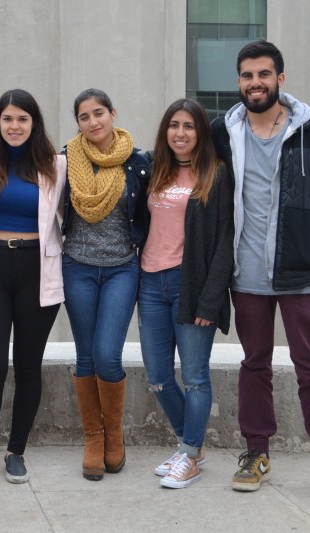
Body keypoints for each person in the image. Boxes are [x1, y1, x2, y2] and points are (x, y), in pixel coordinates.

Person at [211, 40, 310, 492]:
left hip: (300, 270)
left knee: (309, 365)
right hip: (247, 272)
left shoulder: (307, 130)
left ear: (280, 80)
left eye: (264, 74)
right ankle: (257, 453)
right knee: (255, 364)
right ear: (239, 82)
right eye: (248, 76)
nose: (256, 83)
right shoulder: (222, 131)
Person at [0, 89, 66, 485]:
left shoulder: (56, 165)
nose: (15, 126)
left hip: (36, 270)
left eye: (22, 119)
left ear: (34, 123)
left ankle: (16, 451)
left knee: (28, 368)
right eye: (8, 119)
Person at [139, 99, 233, 489]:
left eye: (189, 126)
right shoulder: (154, 169)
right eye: (173, 125)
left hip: (189, 285)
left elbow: (225, 242)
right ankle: (188, 445)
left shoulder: (216, 174)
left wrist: (210, 299)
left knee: (194, 377)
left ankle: (190, 454)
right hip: (149, 282)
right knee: (158, 376)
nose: (180, 133)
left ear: (201, 132)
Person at [62, 88, 150, 481]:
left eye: (99, 113)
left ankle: (114, 433)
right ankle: (93, 438)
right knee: (85, 356)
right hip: (77, 267)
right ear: (78, 123)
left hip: (121, 269)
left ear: (113, 114)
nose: (93, 122)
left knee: (107, 355)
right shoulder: (66, 160)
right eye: (84, 117)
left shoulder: (138, 162)